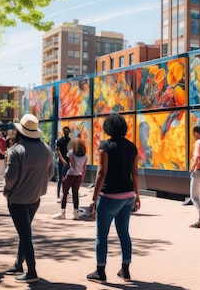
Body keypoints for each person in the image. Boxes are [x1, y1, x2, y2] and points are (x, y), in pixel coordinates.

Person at [87, 113, 141, 284]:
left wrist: (94, 198)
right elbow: (135, 173)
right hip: (127, 196)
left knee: (101, 235)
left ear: (108, 128)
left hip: (109, 196)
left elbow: (102, 173)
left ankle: (100, 271)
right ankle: (125, 270)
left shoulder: (105, 147)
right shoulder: (132, 147)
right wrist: (137, 195)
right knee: (124, 233)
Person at [4, 114, 54, 284]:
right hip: (35, 198)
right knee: (24, 232)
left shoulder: (16, 150)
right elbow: (51, 173)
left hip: (17, 199)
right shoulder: (46, 149)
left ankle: (31, 270)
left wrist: (7, 191)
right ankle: (19, 263)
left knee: (25, 234)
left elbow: (10, 177)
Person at [52, 138, 88, 220]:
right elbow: (84, 167)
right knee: (75, 194)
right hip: (78, 176)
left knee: (64, 194)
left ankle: (62, 212)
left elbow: (71, 164)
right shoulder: (85, 156)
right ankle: (76, 213)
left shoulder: (71, 153)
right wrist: (82, 177)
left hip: (70, 175)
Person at [55, 127, 71, 200]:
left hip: (69, 162)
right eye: (65, 130)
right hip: (61, 162)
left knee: (68, 178)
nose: (66, 131)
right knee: (60, 178)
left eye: (67, 130)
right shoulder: (59, 141)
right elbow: (58, 151)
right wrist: (62, 159)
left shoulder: (71, 141)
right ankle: (58, 195)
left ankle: (65, 193)